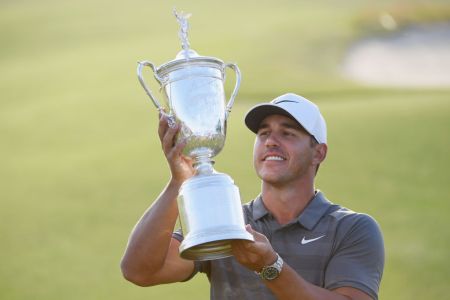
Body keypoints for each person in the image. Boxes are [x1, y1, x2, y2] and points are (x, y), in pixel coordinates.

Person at [120, 93, 385, 300]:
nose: (271, 141)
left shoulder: (352, 228)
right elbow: (140, 271)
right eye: (264, 133)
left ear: (319, 153)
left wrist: (271, 267)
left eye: (288, 133)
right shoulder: (225, 221)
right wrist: (179, 181)